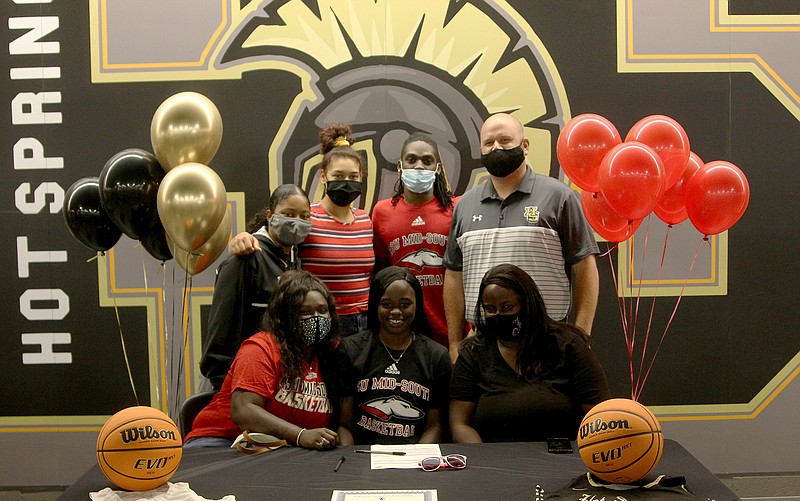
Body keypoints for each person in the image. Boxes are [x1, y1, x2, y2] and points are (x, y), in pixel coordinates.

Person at [443, 112, 600, 362]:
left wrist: (581, 337)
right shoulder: (465, 205)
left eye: (505, 140)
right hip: (484, 346)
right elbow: (454, 274)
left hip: (548, 343)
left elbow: (585, 268)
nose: (496, 148)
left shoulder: (559, 197)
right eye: (489, 143)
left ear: (524, 146)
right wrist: (454, 343)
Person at [229, 123, 374, 337]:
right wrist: (244, 237)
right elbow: (272, 237)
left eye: (353, 177)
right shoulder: (307, 217)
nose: (346, 182)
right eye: (339, 175)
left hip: (365, 322)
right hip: (322, 320)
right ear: (323, 176)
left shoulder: (366, 220)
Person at [185, 270, 353, 449]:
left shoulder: (332, 356)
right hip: (222, 441)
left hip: (284, 449)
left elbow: (343, 424)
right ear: (285, 317)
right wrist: (300, 435)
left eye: (322, 310)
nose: (316, 318)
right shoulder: (261, 348)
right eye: (305, 312)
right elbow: (243, 411)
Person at [449, 264, 610, 443]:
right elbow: (460, 424)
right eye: (490, 309)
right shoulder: (473, 352)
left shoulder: (568, 345)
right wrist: (485, 462)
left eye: (507, 307)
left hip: (562, 461)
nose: (498, 315)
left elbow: (599, 417)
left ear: (528, 304)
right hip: (495, 463)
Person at [200, 185, 312, 390]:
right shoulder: (245, 260)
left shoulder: (294, 260)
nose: (296, 222)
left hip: (275, 378)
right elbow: (222, 329)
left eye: (304, 216)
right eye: (288, 214)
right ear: (270, 215)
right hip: (238, 383)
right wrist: (224, 385)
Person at [340, 266, 452, 444]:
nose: (396, 312)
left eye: (405, 305)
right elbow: (343, 425)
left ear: (417, 305)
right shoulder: (351, 349)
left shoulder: (436, 356)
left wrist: (419, 459)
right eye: (387, 305)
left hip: (416, 456)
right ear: (375, 304)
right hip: (363, 457)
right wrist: (351, 460)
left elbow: (435, 426)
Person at [371, 132, 457, 348]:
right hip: (400, 330)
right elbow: (380, 272)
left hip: (449, 330)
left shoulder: (455, 209)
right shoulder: (382, 212)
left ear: (437, 168)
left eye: (427, 161)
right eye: (412, 160)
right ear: (400, 165)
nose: (419, 167)